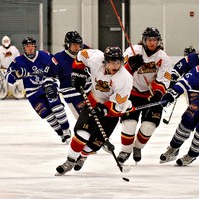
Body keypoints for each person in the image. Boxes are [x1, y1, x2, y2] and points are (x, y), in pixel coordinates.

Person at [55, 46, 134, 175]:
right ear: (105, 61)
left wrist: (103, 109)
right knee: (82, 133)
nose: (116, 65)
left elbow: (118, 104)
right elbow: (81, 55)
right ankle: (69, 161)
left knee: (94, 144)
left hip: (111, 113)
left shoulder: (125, 78)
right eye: (112, 62)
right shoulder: (96, 58)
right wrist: (77, 72)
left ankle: (83, 156)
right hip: (92, 102)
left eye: (118, 62)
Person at [116, 27, 172, 165]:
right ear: (144, 40)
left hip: (151, 95)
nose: (152, 42)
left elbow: (164, 79)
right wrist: (130, 65)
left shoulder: (163, 58)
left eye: (155, 40)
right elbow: (119, 71)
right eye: (149, 39)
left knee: (148, 126)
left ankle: (137, 147)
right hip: (132, 92)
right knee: (129, 123)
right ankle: (125, 150)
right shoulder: (132, 51)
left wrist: (158, 93)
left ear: (159, 41)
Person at [5, 36, 71, 144]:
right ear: (24, 48)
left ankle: (66, 130)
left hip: (47, 84)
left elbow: (57, 65)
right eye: (27, 47)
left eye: (32, 46)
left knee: (56, 106)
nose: (30, 48)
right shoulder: (18, 61)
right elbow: (7, 77)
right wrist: (16, 74)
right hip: (32, 92)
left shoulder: (45, 55)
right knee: (47, 115)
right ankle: (61, 134)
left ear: (35, 47)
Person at [44, 31, 90, 119]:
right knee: (85, 121)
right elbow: (48, 75)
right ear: (67, 45)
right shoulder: (59, 58)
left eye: (78, 44)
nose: (77, 47)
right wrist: (49, 86)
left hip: (89, 91)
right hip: (72, 94)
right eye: (74, 44)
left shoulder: (86, 53)